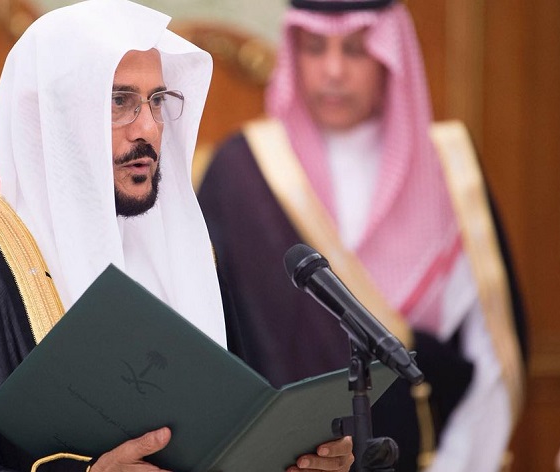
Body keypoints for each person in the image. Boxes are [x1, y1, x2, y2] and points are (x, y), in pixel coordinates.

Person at [0, 1, 354, 471]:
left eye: (157, 101)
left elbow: (232, 439)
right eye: (120, 102)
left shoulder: (188, 254)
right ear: (56, 115)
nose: (148, 129)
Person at [197, 1, 528, 471]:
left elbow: (490, 353)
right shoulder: (241, 172)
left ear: (390, 55)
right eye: (315, 48)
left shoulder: (449, 171)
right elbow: (214, 345)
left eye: (355, 50)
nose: (333, 71)